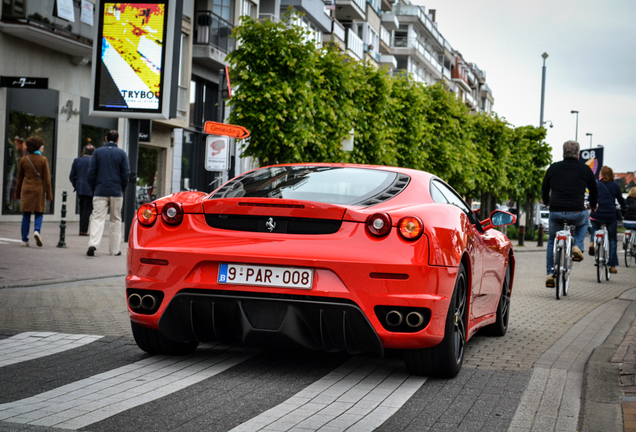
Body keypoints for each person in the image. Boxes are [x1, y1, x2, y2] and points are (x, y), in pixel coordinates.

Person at [541, 140, 598, 287]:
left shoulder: (553, 168)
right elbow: (594, 190)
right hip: (576, 212)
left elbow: (544, 187)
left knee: (551, 240)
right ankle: (577, 246)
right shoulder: (585, 170)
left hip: (555, 212)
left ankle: (550, 273)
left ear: (563, 152)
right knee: (585, 221)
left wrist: (547, 201)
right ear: (578, 154)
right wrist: (593, 205)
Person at [86, 130, 130, 257]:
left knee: (97, 218)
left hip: (100, 190)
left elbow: (91, 173)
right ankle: (114, 250)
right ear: (117, 140)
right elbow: (125, 174)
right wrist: (121, 187)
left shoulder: (97, 152)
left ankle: (93, 244)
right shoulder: (122, 154)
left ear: (105, 138)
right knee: (115, 220)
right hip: (116, 191)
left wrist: (94, 187)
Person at [15, 136, 53, 247]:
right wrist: (49, 195)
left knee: (26, 215)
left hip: (26, 189)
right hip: (38, 190)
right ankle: (37, 230)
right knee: (39, 213)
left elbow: (20, 178)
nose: (43, 147)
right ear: (38, 146)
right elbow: (47, 180)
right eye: (42, 145)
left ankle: (24, 239)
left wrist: (17, 194)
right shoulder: (43, 160)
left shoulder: (24, 160)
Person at [588, 166, 626, 274]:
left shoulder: (596, 185)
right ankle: (612, 266)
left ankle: (592, 242)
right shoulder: (615, 186)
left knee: (595, 226)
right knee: (613, 241)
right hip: (610, 215)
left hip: (597, 213)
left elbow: (591, 199)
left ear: (601, 175)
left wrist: (591, 206)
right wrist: (625, 206)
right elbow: (620, 199)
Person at [69, 144, 95, 236]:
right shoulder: (94, 161)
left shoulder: (77, 161)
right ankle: (83, 230)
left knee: (82, 209)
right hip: (90, 189)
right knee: (87, 210)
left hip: (80, 189)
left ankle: (82, 229)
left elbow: (72, 176)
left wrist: (76, 185)